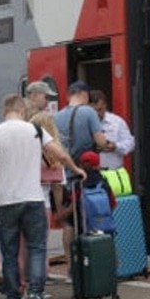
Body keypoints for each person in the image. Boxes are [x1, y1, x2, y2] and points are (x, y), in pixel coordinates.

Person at [0, 94, 84, 299]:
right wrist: (76, 170)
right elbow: (60, 156)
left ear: (4, 111)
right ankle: (35, 293)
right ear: (22, 111)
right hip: (34, 199)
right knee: (36, 248)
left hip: (6, 202)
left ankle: (13, 297)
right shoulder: (35, 130)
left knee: (10, 251)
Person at [52, 81, 109, 268]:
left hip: (66, 177)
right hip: (85, 176)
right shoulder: (89, 112)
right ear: (84, 95)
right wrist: (108, 144)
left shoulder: (57, 116)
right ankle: (93, 264)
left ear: (69, 95)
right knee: (91, 218)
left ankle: (71, 266)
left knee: (69, 224)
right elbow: (100, 141)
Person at [90, 89, 136, 171]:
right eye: (93, 111)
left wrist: (116, 146)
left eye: (99, 110)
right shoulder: (84, 123)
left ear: (105, 106)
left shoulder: (117, 122)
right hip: (92, 174)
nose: (97, 114)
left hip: (114, 172)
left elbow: (130, 143)